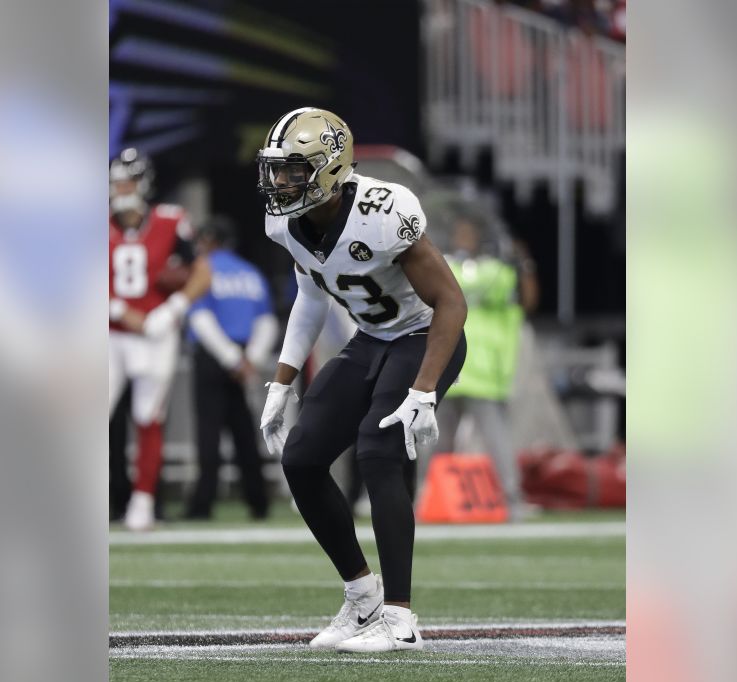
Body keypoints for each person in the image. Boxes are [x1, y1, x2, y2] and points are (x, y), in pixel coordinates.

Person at [255, 107, 468, 653]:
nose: (280, 182)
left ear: (329, 169)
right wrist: (282, 381)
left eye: (293, 170)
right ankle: (362, 598)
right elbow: (310, 296)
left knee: (378, 448)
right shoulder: (286, 223)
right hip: (372, 339)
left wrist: (423, 390)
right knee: (301, 458)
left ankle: (399, 619)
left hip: (424, 335)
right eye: (276, 169)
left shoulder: (383, 209)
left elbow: (450, 302)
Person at [108, 148, 211, 531]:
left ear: (144, 184)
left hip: (155, 333)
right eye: (116, 182)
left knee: (148, 417)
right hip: (109, 333)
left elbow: (202, 274)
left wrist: (170, 311)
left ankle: (143, 501)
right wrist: (118, 311)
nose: (120, 189)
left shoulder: (171, 220)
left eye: (127, 181)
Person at [436, 217, 535, 519]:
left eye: (470, 232)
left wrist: (523, 264)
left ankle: (512, 501)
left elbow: (527, 301)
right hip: (446, 367)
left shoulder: (495, 271)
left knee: (497, 442)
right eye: (460, 232)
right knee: (434, 443)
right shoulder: (446, 267)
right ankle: (423, 498)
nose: (464, 237)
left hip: (482, 373)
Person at [182, 217, 278, 520]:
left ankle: (203, 504)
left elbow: (201, 319)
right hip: (245, 354)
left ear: (208, 240)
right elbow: (267, 321)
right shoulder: (250, 273)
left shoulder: (204, 270)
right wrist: (250, 359)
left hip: (214, 356)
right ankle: (258, 501)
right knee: (244, 434)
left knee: (209, 434)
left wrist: (229, 359)